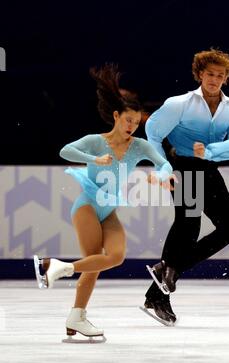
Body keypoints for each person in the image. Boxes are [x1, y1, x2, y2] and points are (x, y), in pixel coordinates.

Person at [34, 64, 174, 341]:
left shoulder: (140, 146)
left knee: (115, 256)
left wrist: (161, 176)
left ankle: (61, 270)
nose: (132, 126)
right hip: (87, 206)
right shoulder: (96, 142)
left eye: (136, 122)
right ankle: (77, 314)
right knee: (95, 263)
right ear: (116, 116)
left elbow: (164, 163)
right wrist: (93, 159)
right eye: (128, 120)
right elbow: (65, 150)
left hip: (108, 210)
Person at [142, 49, 229, 326]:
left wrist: (212, 151)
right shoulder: (180, 104)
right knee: (188, 225)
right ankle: (159, 293)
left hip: (208, 169)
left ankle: (167, 272)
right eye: (210, 74)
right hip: (184, 169)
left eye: (220, 75)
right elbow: (153, 133)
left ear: (226, 78)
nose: (214, 79)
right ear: (200, 74)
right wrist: (163, 168)